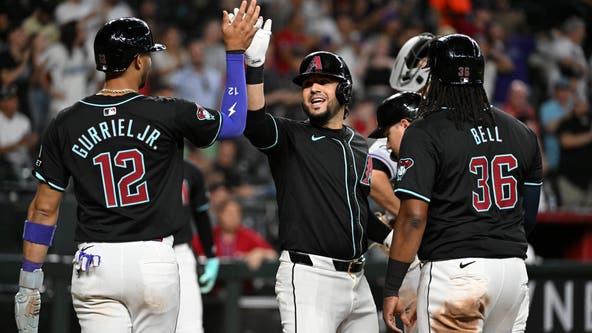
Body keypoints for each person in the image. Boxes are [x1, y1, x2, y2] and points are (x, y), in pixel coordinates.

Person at [14, 2, 261, 332]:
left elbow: (43, 211)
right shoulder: (167, 112)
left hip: (94, 262)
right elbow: (233, 123)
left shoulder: (66, 122)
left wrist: (29, 280)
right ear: (137, 60)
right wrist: (234, 53)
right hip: (151, 261)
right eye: (147, 54)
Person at [382, 33, 543, 333]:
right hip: (512, 273)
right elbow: (529, 216)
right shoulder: (522, 132)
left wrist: (393, 286)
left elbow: (413, 219)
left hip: (455, 270)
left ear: (435, 78)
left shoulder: (425, 131)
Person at [239, 15, 392, 330]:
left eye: (324, 81)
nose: (313, 88)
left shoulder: (360, 145)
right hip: (309, 277)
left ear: (345, 90)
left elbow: (355, 211)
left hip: (358, 279)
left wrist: (391, 236)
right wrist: (254, 66)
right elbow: (254, 124)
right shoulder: (291, 136)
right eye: (308, 84)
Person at [193, 198, 278, 271]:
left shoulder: (247, 235)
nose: (232, 217)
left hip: (242, 286)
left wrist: (260, 253)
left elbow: (273, 254)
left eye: (236, 214)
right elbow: (189, 250)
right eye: (228, 213)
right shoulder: (208, 235)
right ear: (220, 215)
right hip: (212, 285)